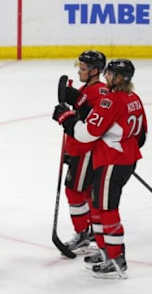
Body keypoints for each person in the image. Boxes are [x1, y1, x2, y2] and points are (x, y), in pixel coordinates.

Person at [53, 59, 147, 279]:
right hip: (123, 159)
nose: (107, 77)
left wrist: (65, 119)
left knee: (107, 210)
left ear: (119, 78)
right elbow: (141, 135)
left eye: (111, 74)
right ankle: (106, 252)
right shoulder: (134, 98)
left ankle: (116, 260)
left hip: (112, 162)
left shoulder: (110, 101)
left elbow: (87, 133)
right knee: (97, 206)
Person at [60, 50, 109, 254]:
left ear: (95, 71)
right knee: (87, 193)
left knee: (74, 191)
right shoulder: (89, 89)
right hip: (80, 148)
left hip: (87, 150)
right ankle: (91, 232)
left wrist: (68, 115)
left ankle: (82, 233)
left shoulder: (99, 91)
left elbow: (92, 123)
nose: (79, 71)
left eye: (83, 68)